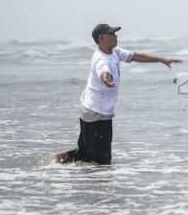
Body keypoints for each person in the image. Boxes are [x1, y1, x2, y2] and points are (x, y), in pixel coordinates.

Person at [54, 24, 181, 165]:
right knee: (101, 158)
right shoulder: (101, 59)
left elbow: (135, 56)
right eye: (112, 34)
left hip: (93, 109)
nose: (116, 36)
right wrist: (107, 79)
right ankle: (72, 170)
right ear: (101, 39)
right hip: (97, 113)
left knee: (91, 150)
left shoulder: (114, 52)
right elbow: (104, 71)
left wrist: (162, 60)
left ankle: (62, 160)